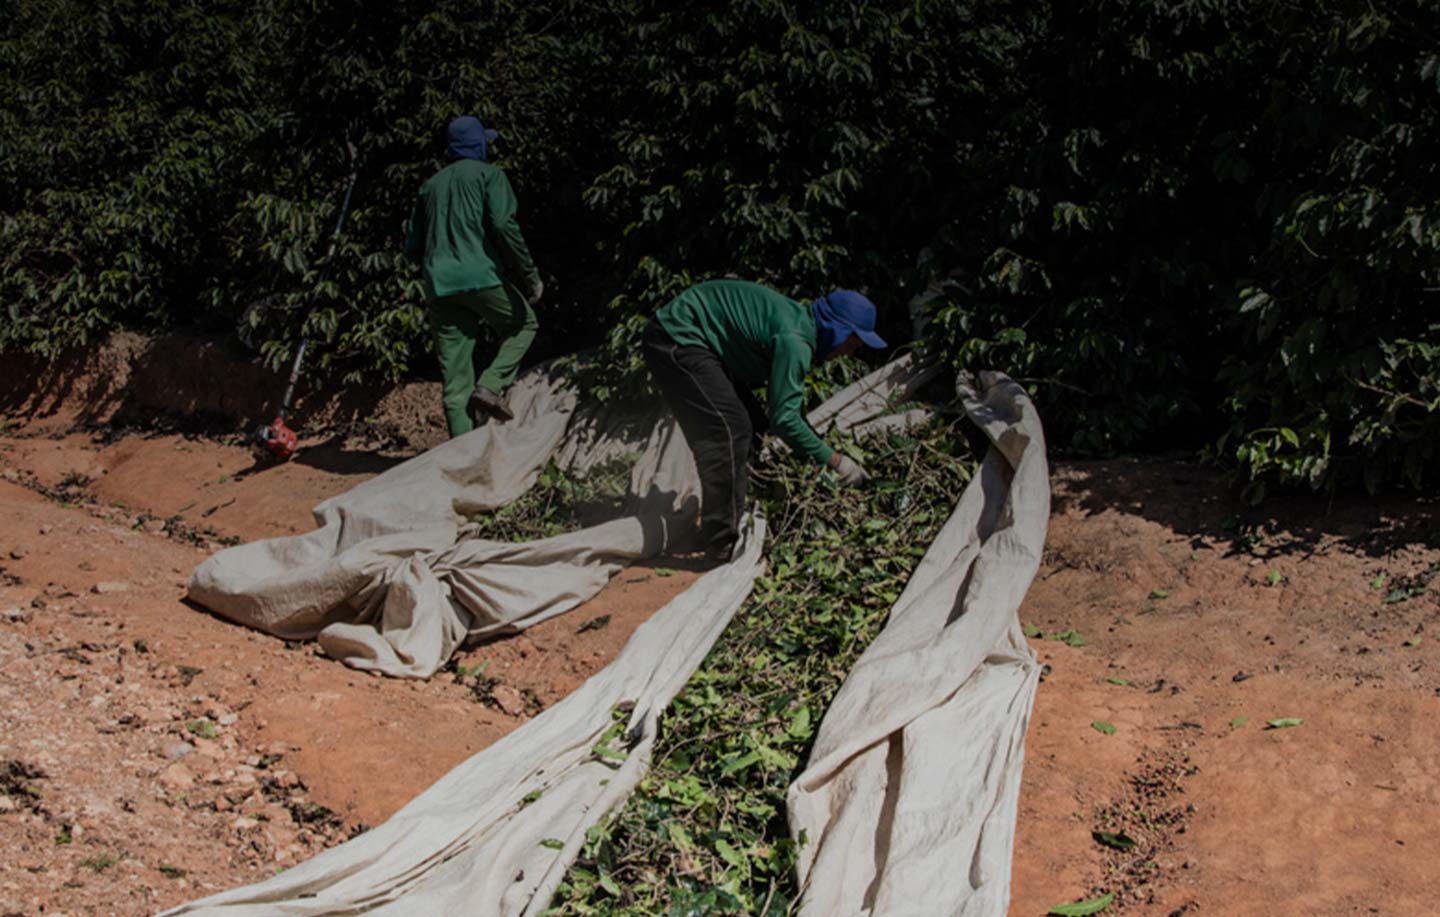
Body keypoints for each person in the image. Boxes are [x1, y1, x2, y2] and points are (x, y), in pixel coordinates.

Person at [642, 279, 886, 560]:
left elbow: (786, 413)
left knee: (754, 425)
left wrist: (818, 448)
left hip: (702, 344)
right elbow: (784, 421)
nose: (849, 353)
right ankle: (720, 543)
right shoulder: (795, 339)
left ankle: (736, 513)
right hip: (678, 335)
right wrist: (838, 462)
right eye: (851, 343)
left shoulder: (799, 326)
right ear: (837, 329)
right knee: (730, 432)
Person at [405, 116, 544, 436]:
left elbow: (412, 248)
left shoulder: (430, 186)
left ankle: (461, 462)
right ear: (478, 144)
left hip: (439, 285)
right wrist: (530, 275)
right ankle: (491, 385)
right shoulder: (489, 175)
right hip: (481, 276)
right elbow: (503, 225)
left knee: (455, 380)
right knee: (524, 323)